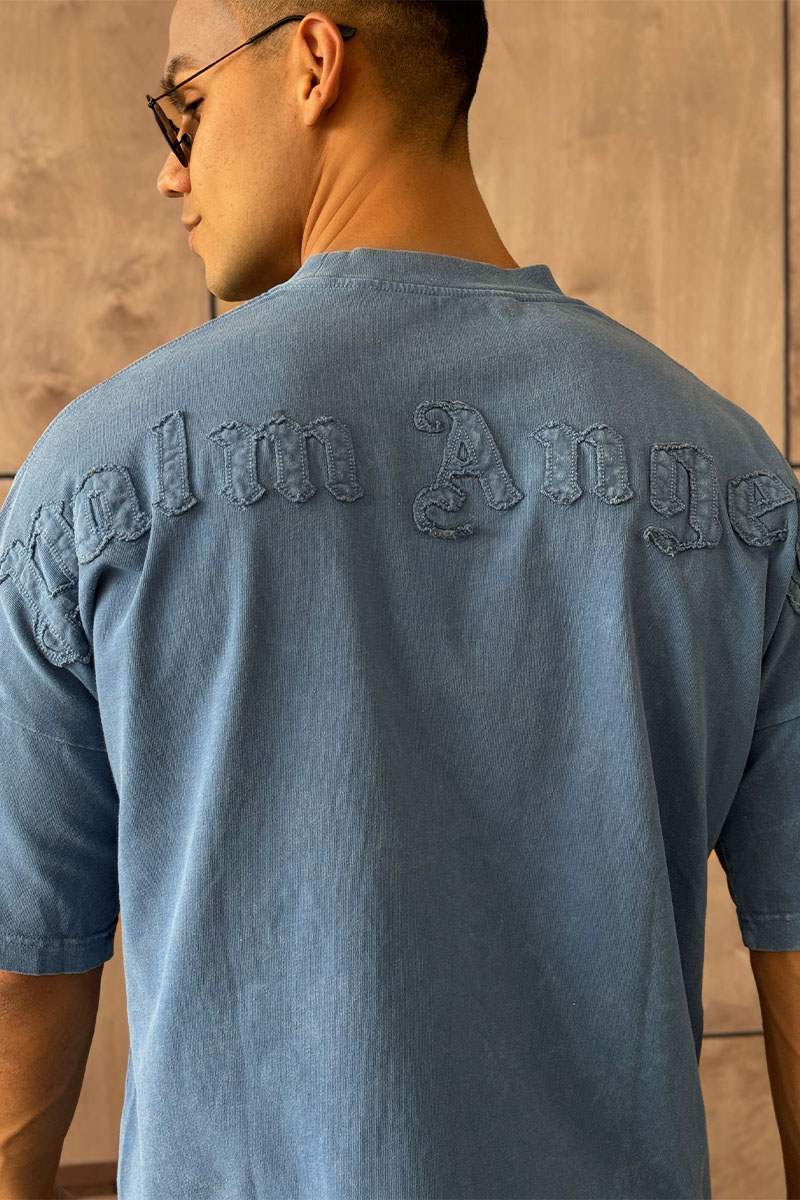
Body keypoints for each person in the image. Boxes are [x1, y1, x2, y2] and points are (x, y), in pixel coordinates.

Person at [0, 2, 798, 1198]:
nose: (171, 172)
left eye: (186, 106)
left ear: (313, 61)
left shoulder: (97, 473)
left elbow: (22, 974)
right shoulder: (735, 480)